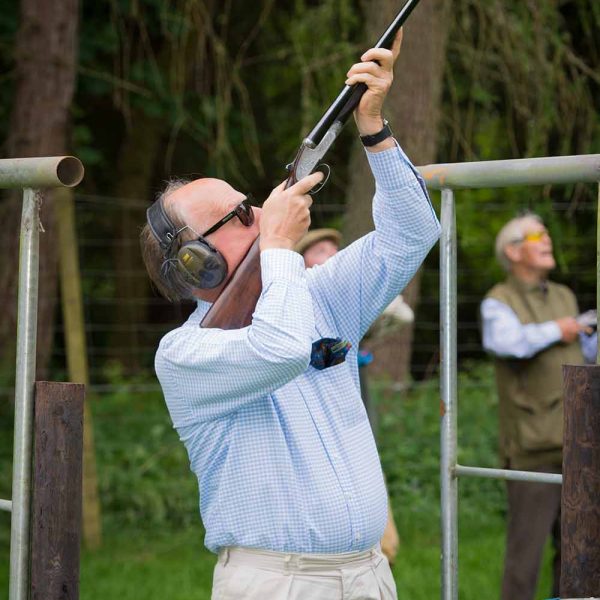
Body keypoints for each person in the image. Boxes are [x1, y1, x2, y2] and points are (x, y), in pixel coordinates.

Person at [141, 29, 441, 600]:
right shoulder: (183, 355)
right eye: (238, 214)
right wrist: (278, 247)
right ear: (196, 261)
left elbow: (413, 234)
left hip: (370, 574)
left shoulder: (313, 293)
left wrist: (374, 130)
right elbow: (279, 348)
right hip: (278, 585)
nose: (259, 211)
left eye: (251, 205)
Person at [480, 213, 597, 600]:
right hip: (533, 449)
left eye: (547, 231)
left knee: (579, 554)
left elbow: (582, 354)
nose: (547, 237)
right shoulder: (498, 301)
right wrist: (560, 328)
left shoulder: (563, 295)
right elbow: (508, 343)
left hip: (579, 443)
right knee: (524, 556)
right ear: (513, 252)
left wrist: (589, 336)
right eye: (536, 234)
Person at [295, 228, 414, 566]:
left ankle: (381, 548)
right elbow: (315, 356)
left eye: (335, 249)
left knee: (365, 455)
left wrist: (358, 328)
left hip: (353, 393)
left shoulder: (346, 294)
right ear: (300, 261)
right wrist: (349, 339)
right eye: (320, 251)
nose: (331, 256)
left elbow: (402, 312)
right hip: (315, 407)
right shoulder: (296, 299)